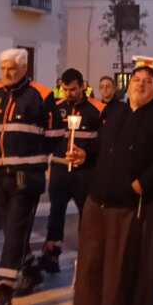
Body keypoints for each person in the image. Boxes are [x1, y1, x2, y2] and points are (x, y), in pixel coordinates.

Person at [70, 65, 153, 305]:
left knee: (138, 268)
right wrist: (85, 154)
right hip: (100, 202)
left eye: (147, 81)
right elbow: (103, 146)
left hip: (139, 206)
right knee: (94, 267)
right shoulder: (115, 111)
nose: (141, 84)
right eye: (136, 80)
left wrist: (144, 182)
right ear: (129, 84)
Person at [0, 48, 58, 305]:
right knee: (9, 231)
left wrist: (35, 158)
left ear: (24, 68)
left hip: (26, 176)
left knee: (15, 230)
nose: (6, 72)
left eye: (12, 68)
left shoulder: (42, 95)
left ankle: (4, 292)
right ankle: (30, 268)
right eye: (3, 67)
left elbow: (55, 133)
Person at [40, 68, 105, 274]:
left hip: (85, 172)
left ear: (83, 86)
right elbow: (47, 137)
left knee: (87, 214)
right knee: (55, 213)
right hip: (59, 169)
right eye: (65, 89)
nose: (69, 93)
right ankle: (52, 253)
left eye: (73, 89)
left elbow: (105, 141)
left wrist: (88, 153)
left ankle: (88, 256)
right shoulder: (56, 108)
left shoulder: (98, 109)